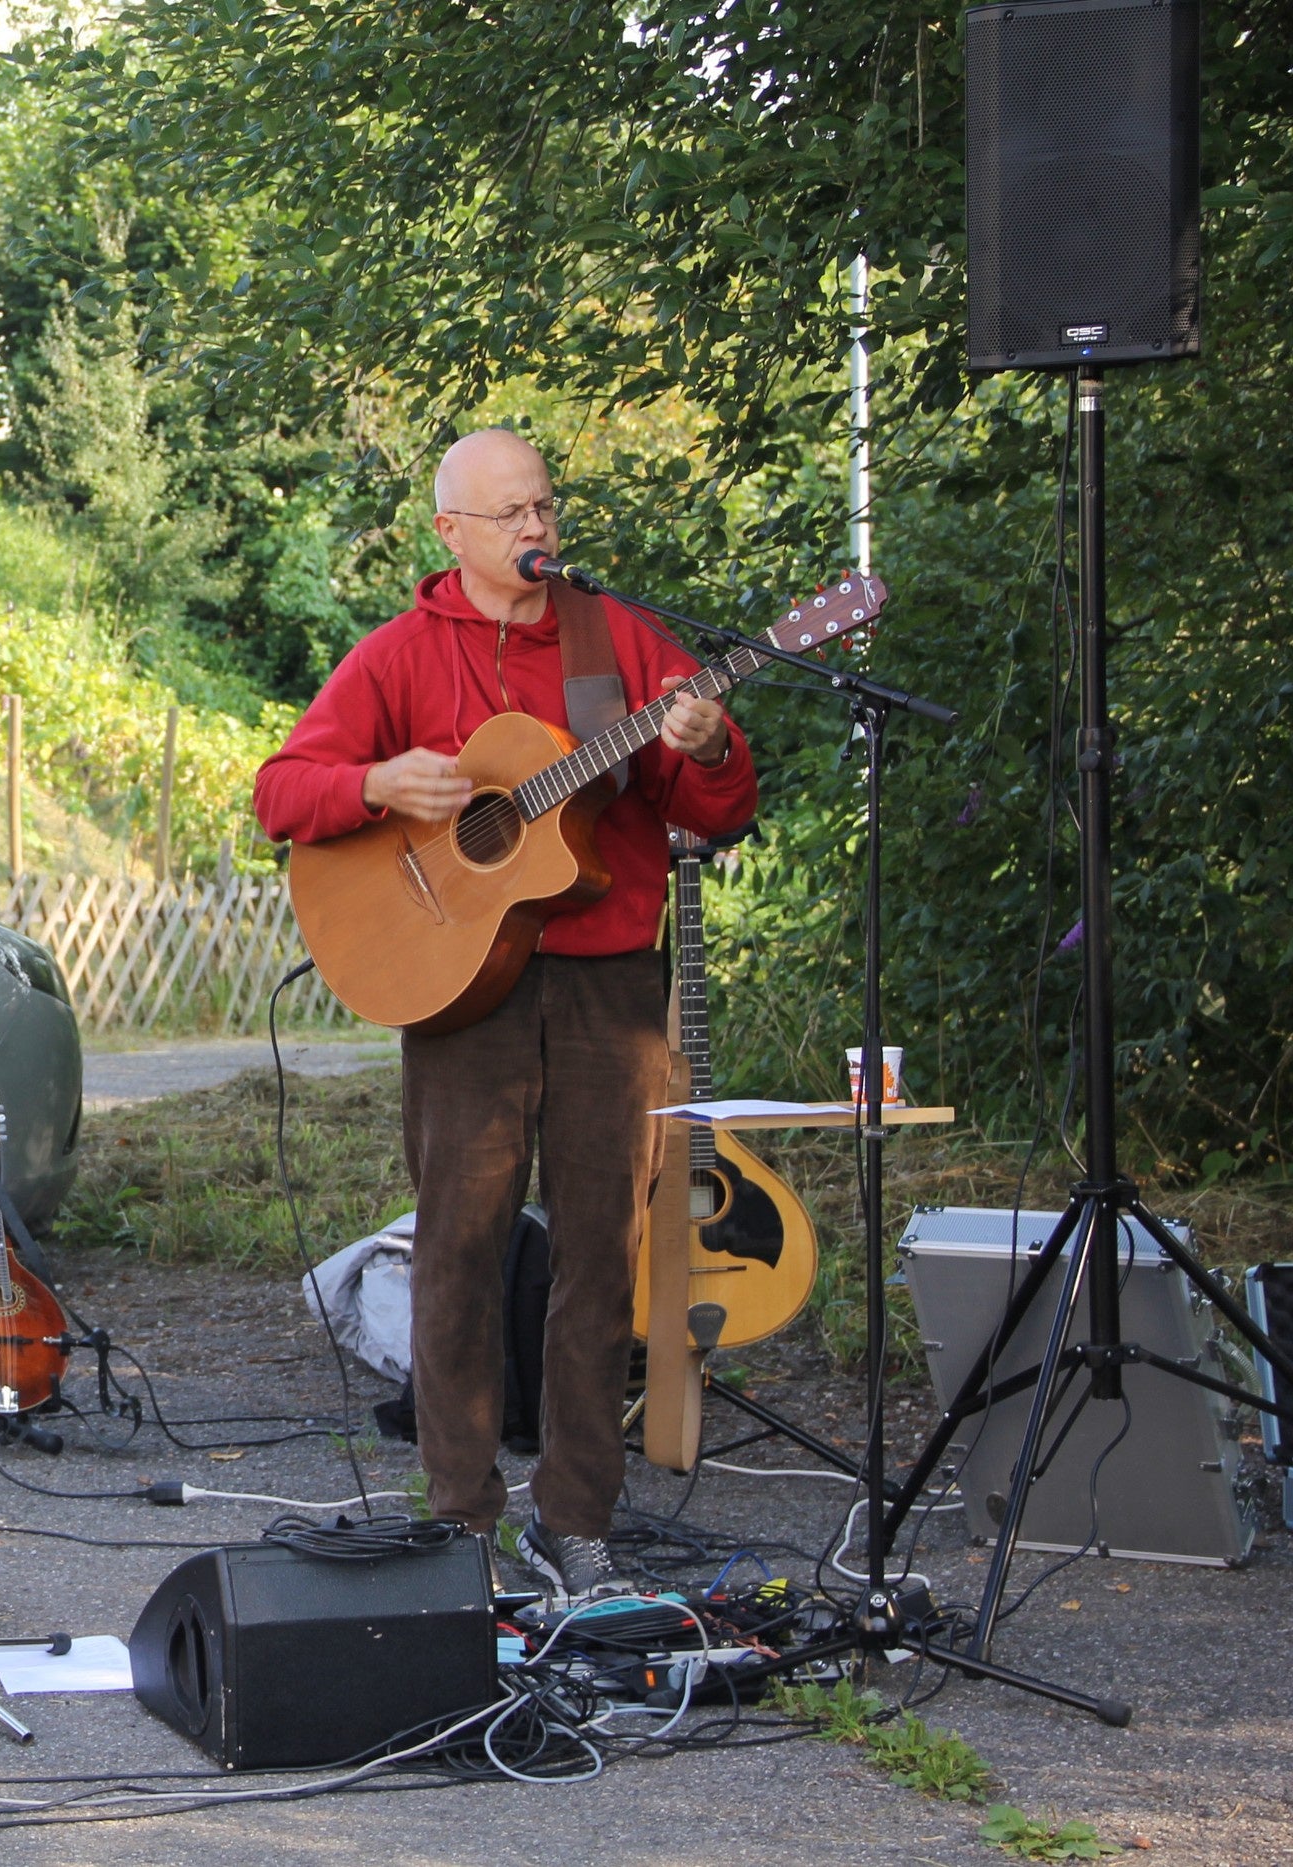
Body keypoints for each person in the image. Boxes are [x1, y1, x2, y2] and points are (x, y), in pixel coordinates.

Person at [252, 428, 756, 1600]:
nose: (536, 528)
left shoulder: (615, 638)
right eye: (510, 512)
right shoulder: (394, 659)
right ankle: (460, 1518)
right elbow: (282, 790)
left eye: (543, 504)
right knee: (458, 1248)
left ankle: (575, 1516)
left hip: (605, 984)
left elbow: (715, 805)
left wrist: (708, 738)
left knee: (600, 1251)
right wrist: (374, 784)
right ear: (452, 534)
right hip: (453, 986)